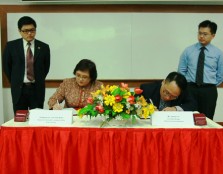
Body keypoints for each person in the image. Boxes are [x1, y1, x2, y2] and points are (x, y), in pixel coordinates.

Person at [3, 16, 50, 114]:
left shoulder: (44, 47)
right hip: (19, 90)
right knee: (20, 120)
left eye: (32, 30)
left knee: (37, 119)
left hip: (36, 89)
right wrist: (16, 81)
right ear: (19, 31)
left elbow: (45, 68)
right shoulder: (11, 46)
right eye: (25, 31)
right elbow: (7, 67)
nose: (29, 33)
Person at [178, 20, 223, 120]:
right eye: (200, 33)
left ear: (213, 35)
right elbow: (181, 71)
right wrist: (187, 85)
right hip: (190, 89)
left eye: (205, 34)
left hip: (208, 91)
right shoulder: (188, 51)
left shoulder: (218, 53)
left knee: (206, 119)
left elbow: (220, 75)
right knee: (188, 118)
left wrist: (209, 85)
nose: (201, 36)